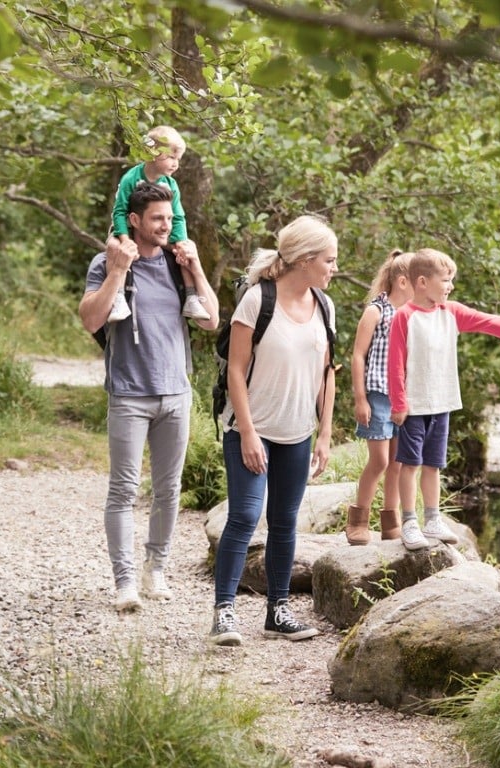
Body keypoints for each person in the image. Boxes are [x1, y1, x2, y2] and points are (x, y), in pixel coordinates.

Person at [79, 181, 219, 612]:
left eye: (170, 217)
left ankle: (155, 567)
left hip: (176, 393)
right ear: (135, 220)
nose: (166, 225)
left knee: (168, 489)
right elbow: (90, 320)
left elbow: (212, 321)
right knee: (122, 490)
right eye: (157, 218)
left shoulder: (179, 266)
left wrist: (195, 269)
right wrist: (120, 270)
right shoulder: (105, 263)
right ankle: (124, 582)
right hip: (128, 394)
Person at [209, 214, 338, 646]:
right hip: (251, 427)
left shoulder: (324, 305)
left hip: (298, 432)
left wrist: (324, 433)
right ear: (304, 260)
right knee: (245, 515)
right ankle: (224, 613)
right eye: (329, 260)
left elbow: (327, 372)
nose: (334, 268)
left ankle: (277, 613)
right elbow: (237, 371)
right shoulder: (257, 300)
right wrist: (246, 433)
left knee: (284, 521)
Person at [387, 248, 500, 551]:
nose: (450, 285)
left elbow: (491, 322)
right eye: (446, 279)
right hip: (414, 406)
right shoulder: (404, 317)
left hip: (442, 403)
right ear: (422, 282)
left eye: (451, 280)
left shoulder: (451, 313)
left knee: (433, 465)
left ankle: (432, 519)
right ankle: (409, 522)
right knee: (409, 464)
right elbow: (395, 362)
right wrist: (398, 403)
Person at [106, 125, 210, 323]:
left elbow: (178, 217)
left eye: (178, 159)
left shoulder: (171, 184)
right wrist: (125, 240)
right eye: (171, 157)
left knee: (186, 250)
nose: (176, 164)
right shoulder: (131, 178)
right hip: (127, 229)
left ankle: (191, 296)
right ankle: (118, 297)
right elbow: (119, 211)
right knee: (113, 246)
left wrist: (180, 241)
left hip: (160, 231)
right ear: (153, 153)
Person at [346, 249, 414, 545]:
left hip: (404, 399)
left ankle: (391, 522)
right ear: (402, 281)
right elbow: (358, 356)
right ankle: (358, 520)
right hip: (377, 396)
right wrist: (360, 399)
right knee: (380, 461)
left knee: (398, 462)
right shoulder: (377, 311)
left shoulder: (413, 314)